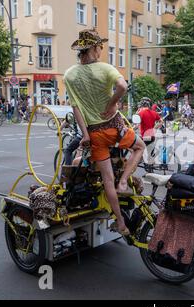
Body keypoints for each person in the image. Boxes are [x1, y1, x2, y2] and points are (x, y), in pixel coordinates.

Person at [64, 29, 146, 236]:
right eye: (100, 46)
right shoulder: (106, 68)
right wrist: (112, 104)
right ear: (93, 48)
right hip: (115, 127)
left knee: (106, 179)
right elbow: (122, 86)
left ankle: (120, 222)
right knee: (139, 147)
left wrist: (84, 134)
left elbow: (76, 108)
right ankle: (124, 181)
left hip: (94, 134)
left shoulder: (70, 75)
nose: (101, 50)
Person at [137, 97, 163, 164]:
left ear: (142, 104)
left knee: (135, 147)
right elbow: (161, 121)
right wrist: (155, 128)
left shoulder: (141, 113)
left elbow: (136, 124)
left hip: (144, 137)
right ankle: (151, 164)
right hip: (152, 136)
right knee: (150, 153)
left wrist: (131, 128)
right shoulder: (154, 113)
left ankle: (140, 158)